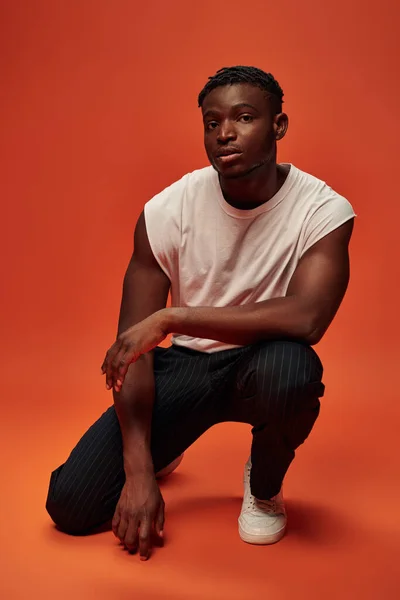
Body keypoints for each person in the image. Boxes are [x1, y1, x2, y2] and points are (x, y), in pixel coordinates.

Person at [46, 66, 356, 560]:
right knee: (70, 506)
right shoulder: (167, 211)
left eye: (244, 117)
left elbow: (307, 317)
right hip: (186, 367)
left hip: (261, 363)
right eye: (212, 123)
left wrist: (174, 318)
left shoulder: (322, 210)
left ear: (278, 126)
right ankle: (163, 448)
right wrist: (139, 471)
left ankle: (264, 486)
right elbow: (134, 351)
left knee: (293, 369)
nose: (224, 133)